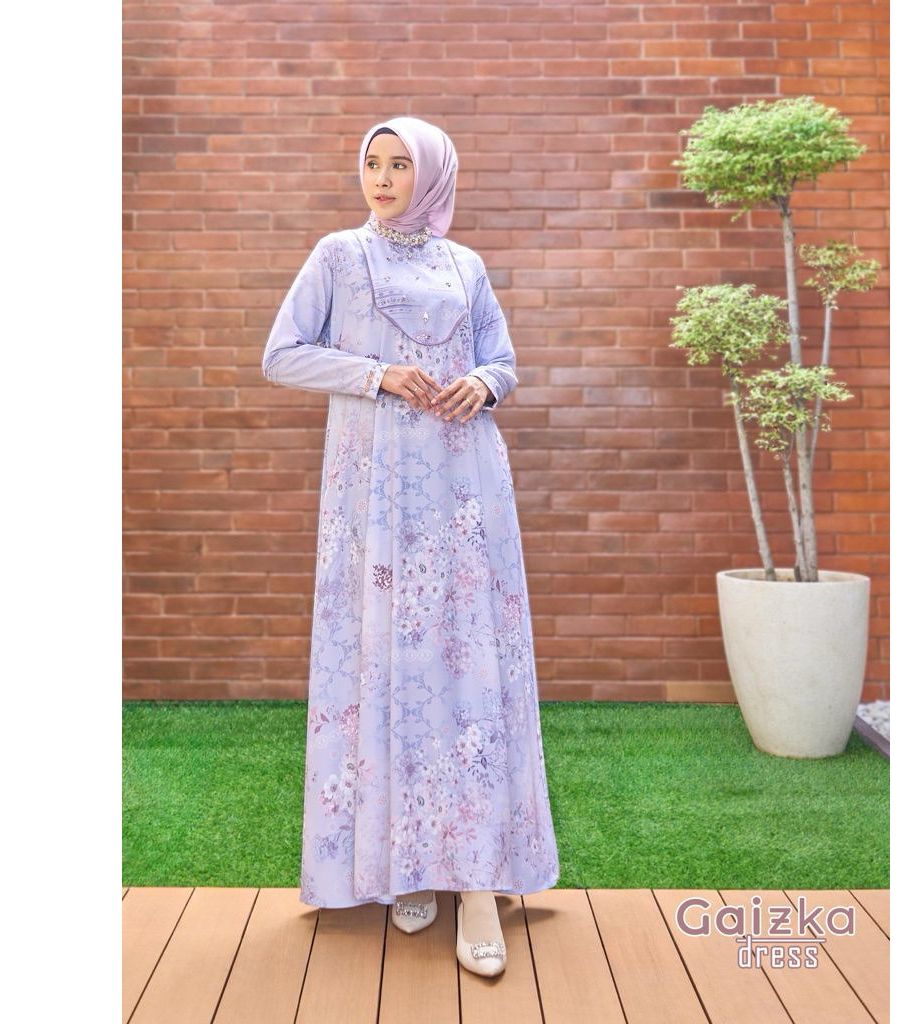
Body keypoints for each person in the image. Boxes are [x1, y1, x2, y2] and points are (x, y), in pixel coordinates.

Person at [261, 117, 560, 978]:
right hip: (376, 495)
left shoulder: (465, 265)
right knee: (390, 665)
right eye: (372, 162)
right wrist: (377, 374)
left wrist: (483, 383)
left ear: (431, 176)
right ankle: (406, 864)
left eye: (401, 165)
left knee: (466, 670)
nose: (383, 178)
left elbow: (503, 359)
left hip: (464, 490)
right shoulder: (338, 256)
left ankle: (477, 885)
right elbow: (282, 356)